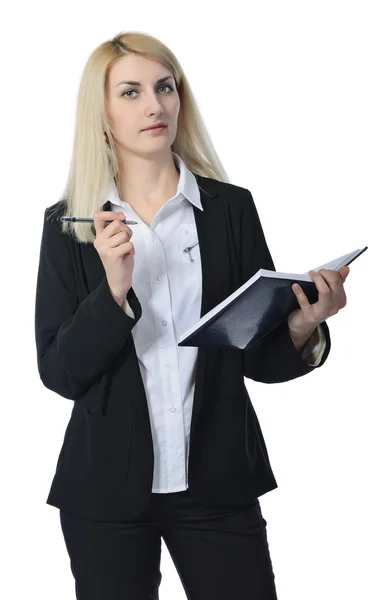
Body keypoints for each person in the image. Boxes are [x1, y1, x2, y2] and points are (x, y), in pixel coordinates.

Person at [34, 31, 349, 600]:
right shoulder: (71, 225)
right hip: (105, 493)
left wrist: (304, 323)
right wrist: (114, 290)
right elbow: (59, 372)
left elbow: (256, 353)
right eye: (130, 92)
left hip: (219, 482)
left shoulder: (231, 208)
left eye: (165, 87)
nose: (155, 105)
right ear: (101, 113)